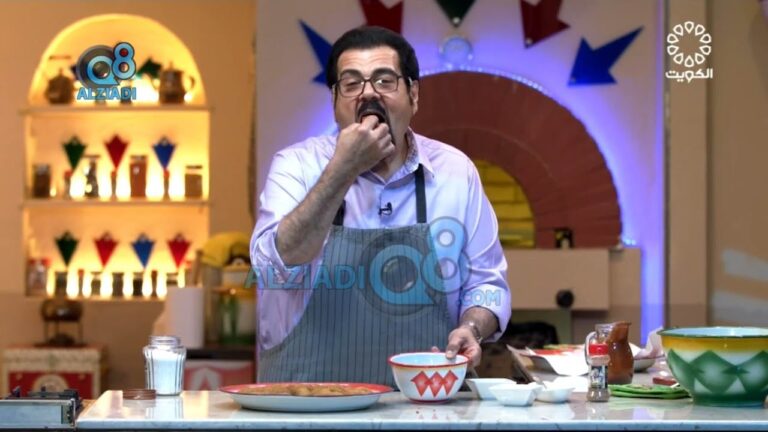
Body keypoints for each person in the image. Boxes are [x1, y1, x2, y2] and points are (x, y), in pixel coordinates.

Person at [251, 26, 510, 386]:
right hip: (303, 397)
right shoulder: (296, 166)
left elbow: (487, 283)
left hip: (423, 400)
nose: (368, 93)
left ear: (413, 95)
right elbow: (274, 266)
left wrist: (472, 327)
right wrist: (343, 169)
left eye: (385, 81)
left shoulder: (456, 172)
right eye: (351, 83)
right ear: (334, 100)